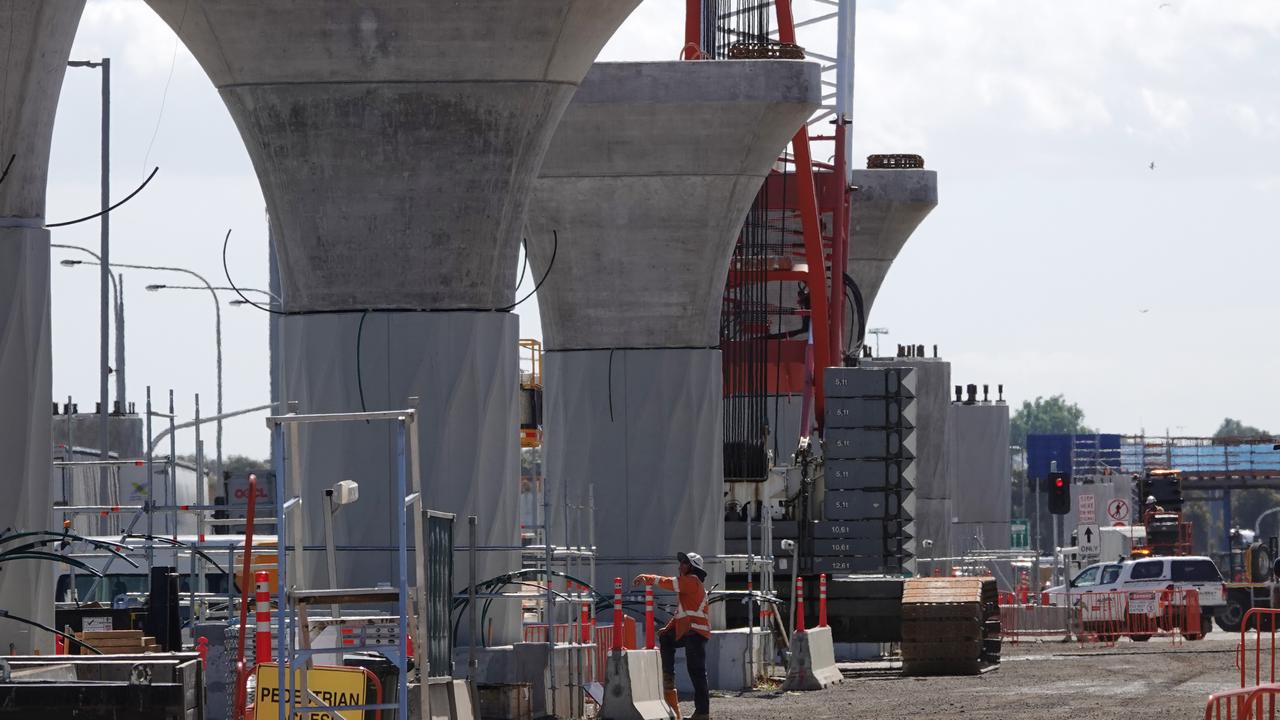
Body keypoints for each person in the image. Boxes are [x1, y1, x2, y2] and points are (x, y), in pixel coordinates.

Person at [634, 551, 711, 720]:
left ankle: (703, 712)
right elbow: (681, 614)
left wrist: (649, 577)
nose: (680, 566)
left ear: (692, 567)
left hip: (696, 633)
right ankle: (668, 677)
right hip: (690, 632)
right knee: (666, 639)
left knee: (697, 672)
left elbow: (670, 583)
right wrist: (667, 629)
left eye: (684, 563)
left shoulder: (692, 581)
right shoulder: (689, 585)